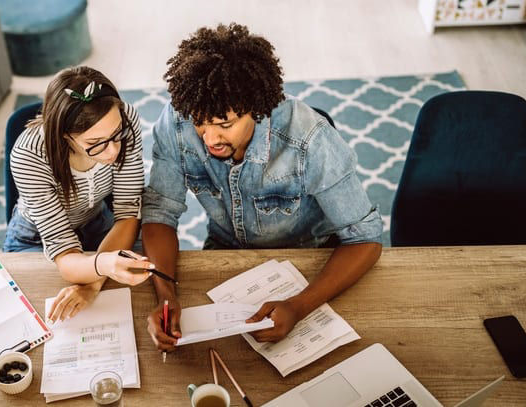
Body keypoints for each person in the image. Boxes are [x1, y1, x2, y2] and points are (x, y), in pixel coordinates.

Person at [142, 24, 383, 352]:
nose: (210, 139)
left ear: (256, 110)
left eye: (225, 125)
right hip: (223, 249)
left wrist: (298, 307)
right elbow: (160, 212)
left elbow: (366, 239)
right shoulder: (176, 121)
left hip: (307, 257)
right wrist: (166, 297)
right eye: (201, 122)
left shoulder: (310, 139)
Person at [4, 66, 154, 322]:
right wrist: (104, 265)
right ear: (64, 136)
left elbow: (129, 210)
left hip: (98, 221)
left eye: (116, 135)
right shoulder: (28, 156)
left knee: (146, 288)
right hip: (36, 237)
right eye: (95, 144)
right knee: (36, 314)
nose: (112, 152)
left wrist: (92, 285)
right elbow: (64, 252)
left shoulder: (125, 118)